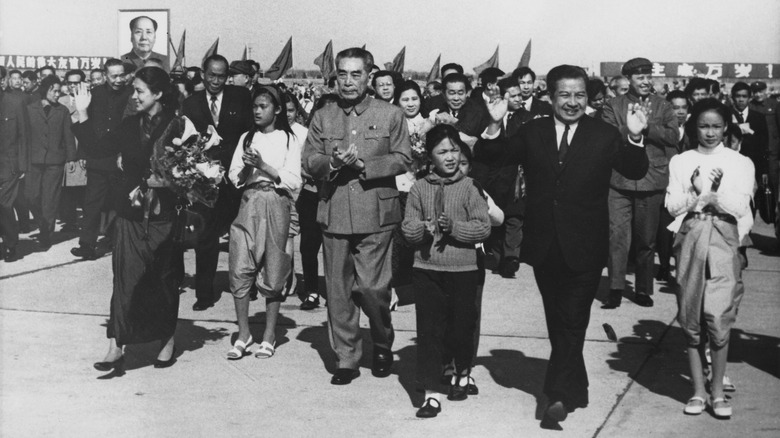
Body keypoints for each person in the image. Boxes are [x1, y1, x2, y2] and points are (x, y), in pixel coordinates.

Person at [482, 64, 649, 427]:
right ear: (549, 96)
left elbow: (634, 171)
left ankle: (556, 396)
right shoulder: (533, 131)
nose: (572, 102)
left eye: (579, 95)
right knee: (558, 320)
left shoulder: (604, 134)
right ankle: (579, 386)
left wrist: (635, 138)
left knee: (573, 318)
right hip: (544, 245)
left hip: (586, 245)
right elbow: (494, 157)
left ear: (587, 99)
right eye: (564, 95)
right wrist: (494, 126)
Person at [302, 47, 412, 385]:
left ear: (369, 76)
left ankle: (381, 341)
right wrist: (333, 163)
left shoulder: (391, 113)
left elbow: (403, 158)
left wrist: (364, 165)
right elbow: (309, 159)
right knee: (337, 289)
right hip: (334, 209)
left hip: (376, 211)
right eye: (343, 74)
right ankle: (346, 357)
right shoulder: (324, 115)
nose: (348, 82)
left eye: (356, 74)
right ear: (335, 75)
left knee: (371, 288)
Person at [72, 67, 183, 371]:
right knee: (124, 279)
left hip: (164, 216)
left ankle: (166, 338)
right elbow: (97, 147)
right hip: (130, 214)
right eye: (133, 90)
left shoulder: (180, 126)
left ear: (158, 94)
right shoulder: (129, 125)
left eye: (140, 91)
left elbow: (193, 171)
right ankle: (115, 344)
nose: (133, 96)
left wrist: (170, 183)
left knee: (162, 279)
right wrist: (82, 114)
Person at [666, 98, 755, 419]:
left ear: (727, 128)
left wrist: (714, 193)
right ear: (693, 127)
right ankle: (698, 391)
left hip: (724, 238)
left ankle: (718, 389)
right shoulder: (681, 161)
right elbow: (673, 206)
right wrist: (694, 191)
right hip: (690, 236)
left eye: (717, 126)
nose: (710, 132)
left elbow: (741, 208)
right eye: (703, 126)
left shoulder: (740, 162)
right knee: (690, 315)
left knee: (718, 317)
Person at [402, 124, 490, 418]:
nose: (450, 157)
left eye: (454, 150)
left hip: (463, 269)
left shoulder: (470, 187)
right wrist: (425, 230)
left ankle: (463, 372)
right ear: (430, 157)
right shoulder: (418, 188)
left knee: (461, 327)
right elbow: (408, 229)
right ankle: (431, 393)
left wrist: (455, 228)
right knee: (429, 331)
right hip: (426, 269)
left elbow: (483, 226)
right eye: (442, 151)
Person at [225, 85, 301, 360]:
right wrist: (248, 166)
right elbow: (235, 177)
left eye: (263, 106)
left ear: (277, 110)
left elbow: (294, 180)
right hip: (249, 202)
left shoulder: (288, 139)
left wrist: (264, 166)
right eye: (255, 106)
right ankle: (243, 333)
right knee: (240, 265)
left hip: (276, 202)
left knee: (274, 267)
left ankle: (269, 335)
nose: (257, 111)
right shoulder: (247, 137)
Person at [602, 57, 679, 309]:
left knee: (646, 240)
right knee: (617, 237)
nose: (645, 82)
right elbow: (609, 136)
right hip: (619, 179)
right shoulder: (613, 105)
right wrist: (632, 129)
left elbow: (672, 137)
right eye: (639, 78)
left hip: (652, 180)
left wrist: (647, 128)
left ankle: (644, 290)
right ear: (628, 80)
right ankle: (615, 287)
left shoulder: (663, 106)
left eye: (648, 77)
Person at [181, 54, 253, 311]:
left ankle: (247, 285)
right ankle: (204, 292)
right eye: (211, 74)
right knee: (206, 237)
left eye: (221, 76)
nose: (215, 80)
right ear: (202, 73)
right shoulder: (191, 103)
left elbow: (250, 132)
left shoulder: (241, 97)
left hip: (236, 177)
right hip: (205, 181)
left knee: (243, 234)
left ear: (228, 76)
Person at [71, 59, 132, 260]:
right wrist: (83, 155)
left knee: (121, 203)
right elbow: (83, 128)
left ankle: (119, 241)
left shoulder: (131, 94)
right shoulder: (94, 95)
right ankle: (87, 245)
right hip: (97, 158)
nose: (119, 79)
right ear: (105, 76)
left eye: (122, 75)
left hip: (121, 159)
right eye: (114, 76)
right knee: (92, 204)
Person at [472, 77, 526, 278]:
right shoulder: (487, 116)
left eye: (520, 94)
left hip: (517, 177)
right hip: (492, 177)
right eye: (513, 95)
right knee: (496, 217)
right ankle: (496, 255)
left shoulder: (526, 118)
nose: (519, 98)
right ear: (503, 96)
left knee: (515, 217)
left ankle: (511, 258)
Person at [391, 80, 434, 308]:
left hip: (421, 189)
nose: (410, 104)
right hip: (396, 187)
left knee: (420, 237)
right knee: (397, 240)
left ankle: (420, 288)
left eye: (414, 98)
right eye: (405, 99)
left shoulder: (429, 124)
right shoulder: (392, 124)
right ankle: (393, 289)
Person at [25, 75, 77, 250]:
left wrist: (71, 159)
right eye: (53, 90)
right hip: (33, 160)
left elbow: (68, 136)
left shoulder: (62, 110)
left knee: (50, 199)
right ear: (44, 90)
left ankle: (46, 234)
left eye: (58, 91)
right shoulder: (30, 109)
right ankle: (42, 224)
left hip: (55, 161)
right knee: (31, 196)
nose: (57, 94)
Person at [298, 93, 337, 310]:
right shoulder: (310, 138)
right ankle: (311, 290)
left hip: (335, 196)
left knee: (335, 247)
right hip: (312, 195)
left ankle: (334, 291)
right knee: (309, 246)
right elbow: (304, 165)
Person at [0, 68, 28, 262]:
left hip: (8, 164)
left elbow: (24, 135)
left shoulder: (15, 102)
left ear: (4, 80)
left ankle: (11, 244)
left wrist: (23, 165)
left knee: (3, 204)